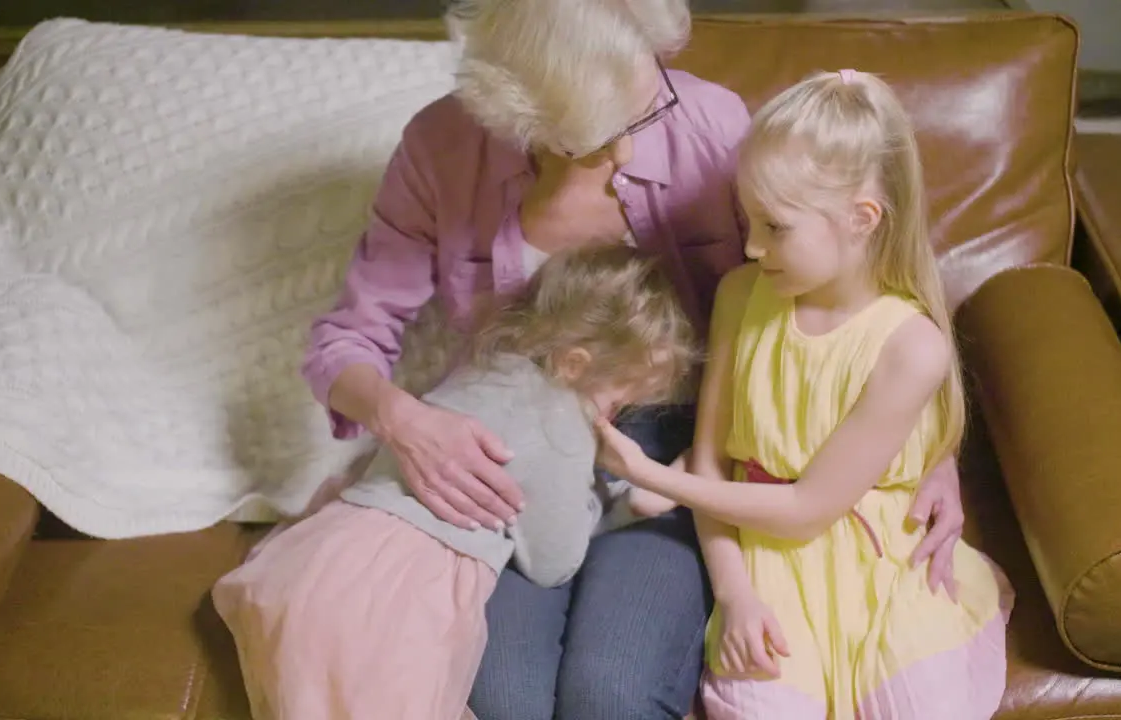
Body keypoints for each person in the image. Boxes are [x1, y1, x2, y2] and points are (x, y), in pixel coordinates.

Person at [301, 0, 967, 716]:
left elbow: (848, 289)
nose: (628, 151)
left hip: (683, 444)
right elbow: (346, 342)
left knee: (611, 694)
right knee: (504, 701)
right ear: (525, 114)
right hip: (517, 444)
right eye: (599, 136)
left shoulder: (707, 125)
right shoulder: (443, 148)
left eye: (640, 114)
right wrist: (407, 422)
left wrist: (933, 451)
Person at [595, 69, 1012, 719]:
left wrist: (648, 475)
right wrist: (734, 592)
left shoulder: (911, 347)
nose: (753, 245)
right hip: (765, 559)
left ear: (862, 219)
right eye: (748, 219)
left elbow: (808, 508)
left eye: (775, 226)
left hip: (882, 565)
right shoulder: (741, 294)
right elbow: (711, 461)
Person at [214, 244, 698, 719]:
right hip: (402, 603)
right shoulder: (563, 425)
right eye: (619, 398)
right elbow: (554, 560)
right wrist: (619, 502)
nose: (617, 413)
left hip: (320, 566)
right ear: (574, 365)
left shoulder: (483, 369)